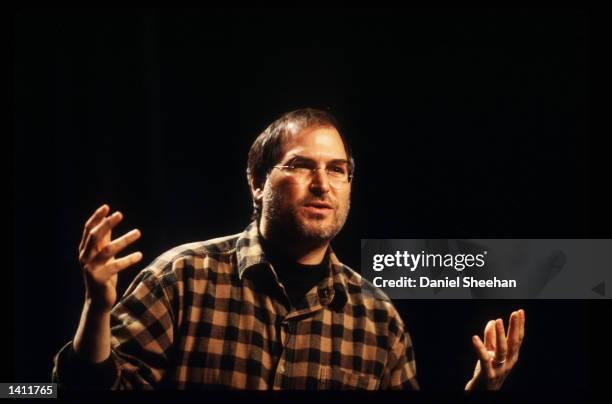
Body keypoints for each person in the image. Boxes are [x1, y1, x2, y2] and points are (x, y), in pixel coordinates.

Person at [52, 108, 525, 390]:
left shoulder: (379, 322)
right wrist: (97, 307)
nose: (323, 184)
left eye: (338, 169)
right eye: (301, 166)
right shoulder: (182, 277)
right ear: (257, 182)